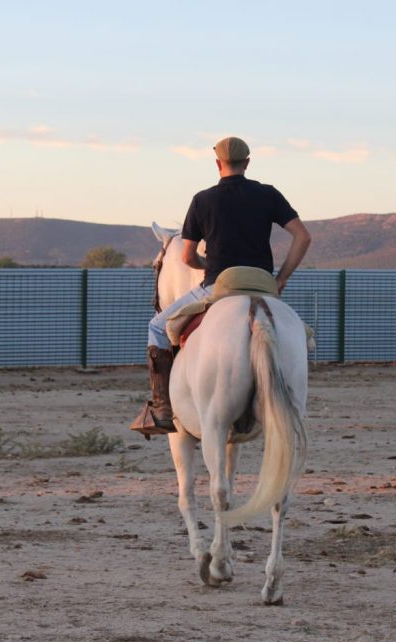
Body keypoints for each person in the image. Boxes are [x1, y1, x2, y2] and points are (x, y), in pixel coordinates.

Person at [131, 136, 312, 436]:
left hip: (219, 286)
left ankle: (162, 409)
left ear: (218, 164)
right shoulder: (269, 194)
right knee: (298, 334)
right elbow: (303, 237)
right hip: (263, 286)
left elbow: (187, 256)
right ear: (248, 163)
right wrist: (281, 279)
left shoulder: (203, 200)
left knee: (157, 327)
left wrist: (207, 267)